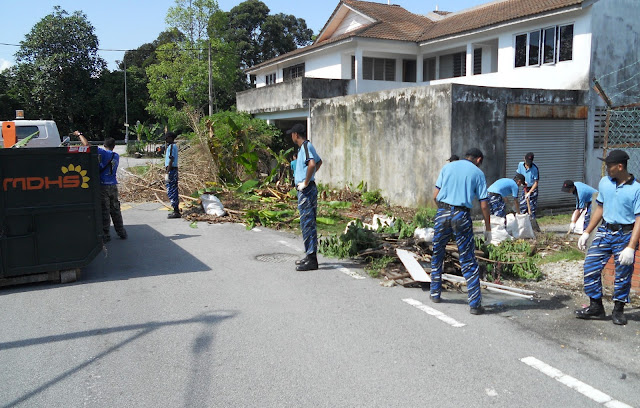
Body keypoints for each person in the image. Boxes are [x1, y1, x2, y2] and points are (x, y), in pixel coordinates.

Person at [576, 150, 640, 325]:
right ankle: (596, 306)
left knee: (623, 275)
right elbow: (600, 208)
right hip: (604, 232)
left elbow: (639, 219)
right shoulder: (605, 182)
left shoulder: (636, 189)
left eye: (609, 166)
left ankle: (618, 310)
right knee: (590, 267)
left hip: (624, 235)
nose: (606, 169)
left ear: (620, 167)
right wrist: (587, 231)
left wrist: (631, 247)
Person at [431, 148, 491, 315]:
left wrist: (444, 210)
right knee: (467, 258)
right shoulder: (477, 173)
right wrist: (488, 228)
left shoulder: (447, 167)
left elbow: (435, 195)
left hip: (442, 213)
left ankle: (435, 293)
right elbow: (484, 204)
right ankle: (474, 305)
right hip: (461, 214)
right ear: (479, 159)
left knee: (438, 252)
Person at [75, 131, 127, 242]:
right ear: (114, 146)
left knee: (105, 210)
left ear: (104, 146)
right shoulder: (116, 156)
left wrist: (79, 134)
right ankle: (121, 231)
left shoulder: (104, 154)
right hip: (113, 185)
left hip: (103, 186)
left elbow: (87, 145)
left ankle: (106, 234)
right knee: (116, 210)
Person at [289, 123, 322, 271]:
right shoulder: (304, 148)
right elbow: (319, 162)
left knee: (308, 224)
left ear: (296, 134)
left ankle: (312, 260)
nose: (291, 136)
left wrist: (306, 181)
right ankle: (309, 255)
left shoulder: (306, 147)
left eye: (292, 134)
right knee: (306, 223)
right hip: (305, 189)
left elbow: (313, 163)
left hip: (306, 190)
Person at [516, 152, 539, 219]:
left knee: (532, 207)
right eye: (527, 161)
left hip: (532, 189)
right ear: (524, 159)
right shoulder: (520, 165)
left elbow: (536, 182)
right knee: (522, 206)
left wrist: (529, 192)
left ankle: (532, 222)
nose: (528, 163)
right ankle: (523, 222)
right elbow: (518, 175)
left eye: (530, 162)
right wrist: (521, 183)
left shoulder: (535, 168)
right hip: (525, 187)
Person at [165, 132, 181, 219]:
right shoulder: (173, 146)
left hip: (171, 170)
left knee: (172, 190)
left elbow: (171, 159)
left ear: (171, 138)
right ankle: (175, 209)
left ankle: (176, 211)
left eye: (167, 138)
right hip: (172, 169)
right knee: (172, 189)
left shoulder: (171, 147)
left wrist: (167, 172)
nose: (166, 140)